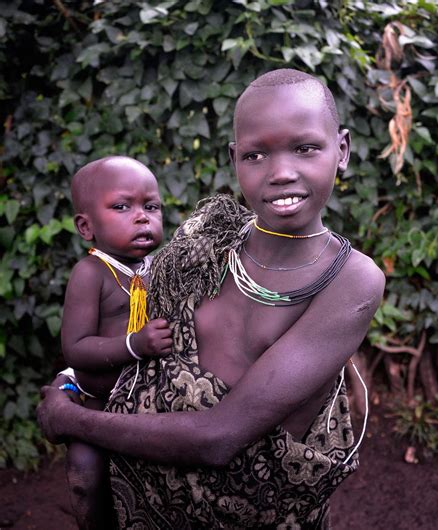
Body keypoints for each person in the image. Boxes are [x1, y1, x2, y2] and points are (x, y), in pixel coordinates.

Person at [37, 69, 385, 529]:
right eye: (256, 154)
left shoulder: (351, 280)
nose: (281, 173)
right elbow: (131, 331)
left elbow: (221, 436)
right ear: (234, 157)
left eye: (305, 148)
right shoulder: (210, 238)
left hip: (247, 512)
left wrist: (71, 421)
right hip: (139, 500)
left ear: (341, 151)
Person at [59, 155, 172, 529]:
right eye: (122, 207)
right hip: (96, 405)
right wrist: (134, 345)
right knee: (86, 474)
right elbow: (75, 348)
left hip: (151, 404)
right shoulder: (91, 274)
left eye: (151, 206)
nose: (142, 217)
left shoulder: (161, 268)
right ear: (86, 226)